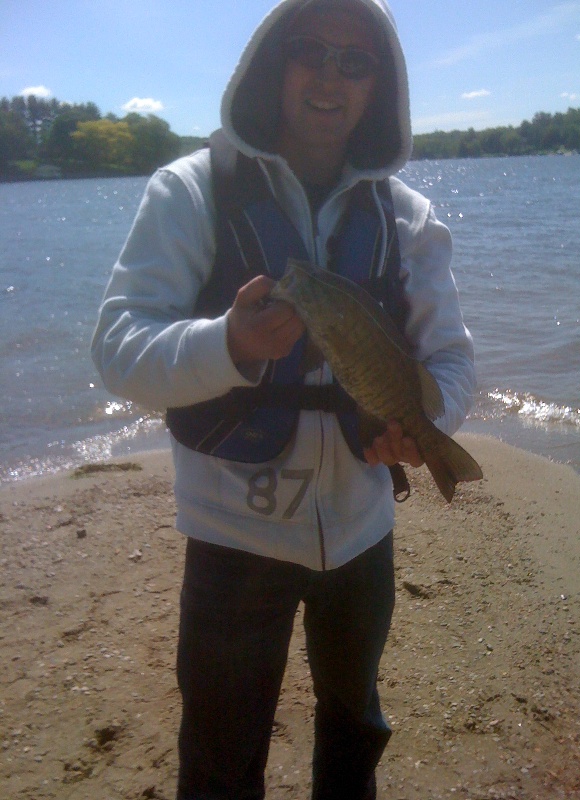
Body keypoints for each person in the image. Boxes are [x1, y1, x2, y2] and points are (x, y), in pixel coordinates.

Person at [91, 0, 476, 797]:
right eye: (310, 51)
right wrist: (225, 345)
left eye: (355, 61)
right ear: (274, 63)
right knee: (222, 758)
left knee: (355, 731)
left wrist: (427, 426)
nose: (330, 76)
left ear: (381, 88)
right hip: (234, 539)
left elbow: (452, 363)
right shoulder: (190, 190)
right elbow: (117, 350)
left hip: (364, 533)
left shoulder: (409, 219)